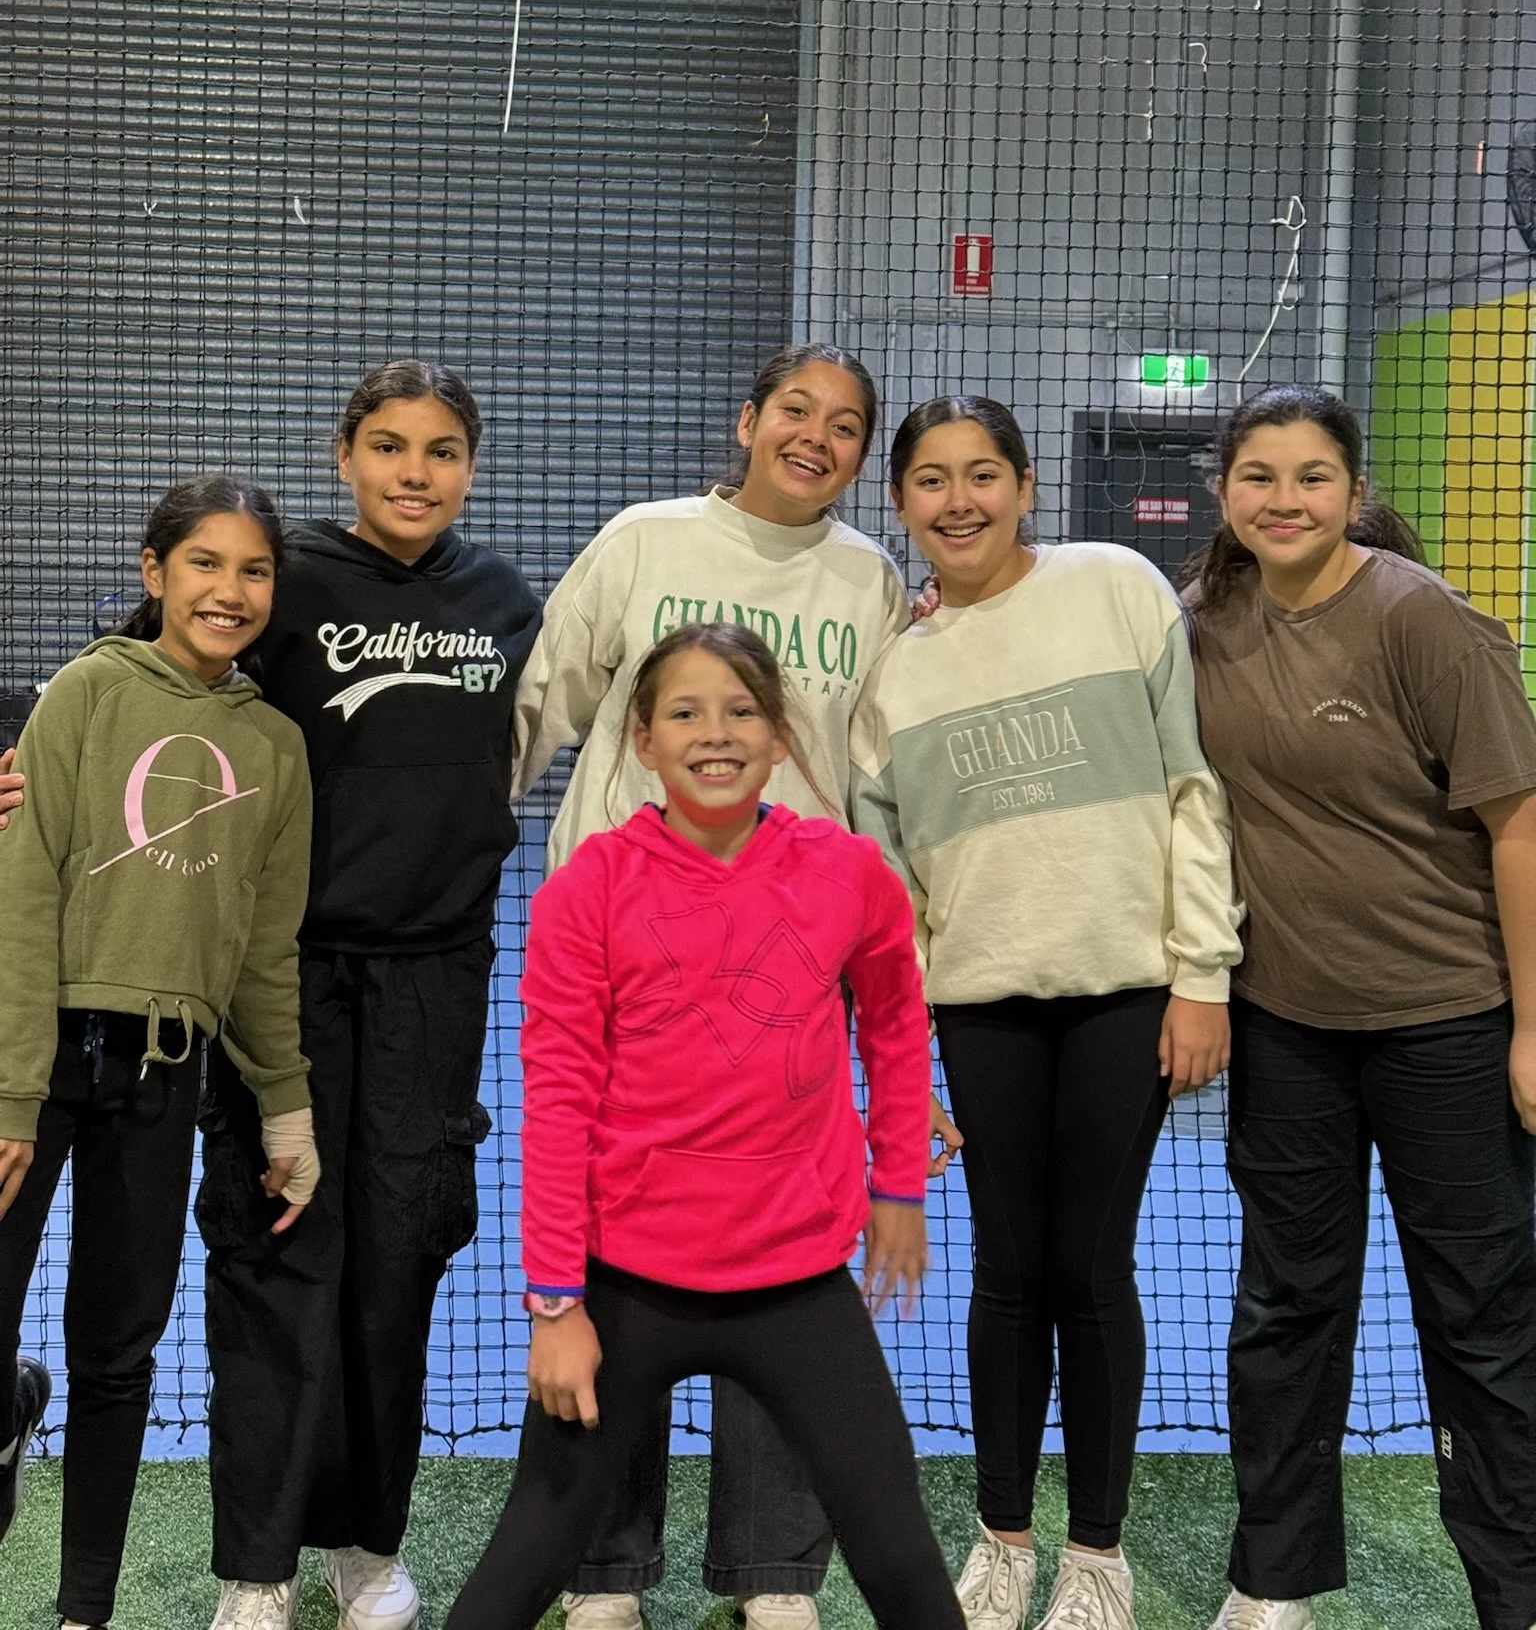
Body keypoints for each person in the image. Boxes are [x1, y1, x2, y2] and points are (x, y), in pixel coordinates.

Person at [448, 621, 965, 1630]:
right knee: (520, 1565)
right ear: (642, 738)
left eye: (741, 711)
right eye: (684, 710)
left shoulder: (847, 870)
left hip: (799, 1287)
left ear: (779, 735)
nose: (714, 732)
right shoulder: (587, 889)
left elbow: (898, 1024)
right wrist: (556, 1306)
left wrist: (897, 1179)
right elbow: (555, 1100)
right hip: (625, 1288)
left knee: (902, 1556)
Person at [512, 343, 911, 1630]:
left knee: (780, 1255)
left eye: (847, 425)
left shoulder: (869, 581)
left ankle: (774, 1572)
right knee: (622, 1253)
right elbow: (540, 699)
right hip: (631, 958)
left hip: (789, 972)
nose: (817, 436)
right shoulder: (643, 539)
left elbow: (879, 783)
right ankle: (606, 1571)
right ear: (746, 418)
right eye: (797, 409)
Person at [851, 396, 1243, 1630]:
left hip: (1129, 989)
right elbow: (890, 884)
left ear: (1026, 485)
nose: (957, 500)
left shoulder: (1117, 586)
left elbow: (1189, 782)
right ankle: (1005, 1539)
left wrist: (1202, 972)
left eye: (981, 475)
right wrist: (906, 1051)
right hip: (982, 1005)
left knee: (1092, 1265)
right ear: (902, 501)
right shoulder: (895, 666)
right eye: (929, 480)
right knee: (1010, 1271)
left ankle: (1098, 1558)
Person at [1178, 383, 1536, 1630]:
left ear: (1353, 488)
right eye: (1260, 474)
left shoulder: (1424, 620)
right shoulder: (1203, 618)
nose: (1285, 499)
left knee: (1482, 1316)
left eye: (1312, 476)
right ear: (1225, 487)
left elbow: (1519, 822)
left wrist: (1534, 1025)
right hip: (1286, 1028)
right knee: (1285, 1303)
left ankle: (1517, 1591)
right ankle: (1273, 1582)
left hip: (1448, 1020)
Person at [194, 361, 541, 1630]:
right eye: (389, 445)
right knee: (278, 1255)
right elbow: (146, 680)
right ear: (344, 454)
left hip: (436, 988)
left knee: (397, 1270)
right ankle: (257, 1569)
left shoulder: (505, 600)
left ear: (470, 464)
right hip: (283, 980)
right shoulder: (283, 578)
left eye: (443, 448)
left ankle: (366, 1548)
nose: (414, 470)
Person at [0, 475, 318, 1630]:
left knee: (119, 1356)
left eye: (254, 570)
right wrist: (12, 1094)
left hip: (164, 1081)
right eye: (205, 564)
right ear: (154, 571)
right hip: (39, 1068)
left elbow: (265, 950)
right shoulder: (82, 693)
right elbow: (24, 900)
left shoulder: (276, 748)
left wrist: (285, 1105)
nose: (229, 591)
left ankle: (84, 1609)